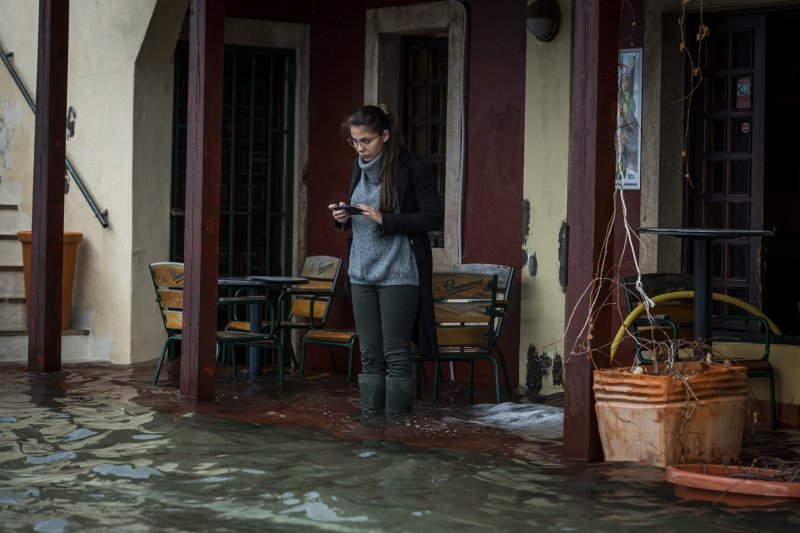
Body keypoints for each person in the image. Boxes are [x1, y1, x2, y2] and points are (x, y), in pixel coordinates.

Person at [328, 104, 443, 418]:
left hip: (399, 272)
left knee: (396, 353)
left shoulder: (412, 168)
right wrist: (343, 217)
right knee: (369, 355)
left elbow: (434, 216)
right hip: (361, 272)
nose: (360, 148)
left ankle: (396, 425)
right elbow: (359, 215)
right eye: (354, 141)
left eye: (367, 140)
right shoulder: (357, 167)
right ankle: (371, 418)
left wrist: (387, 219)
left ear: (386, 136)